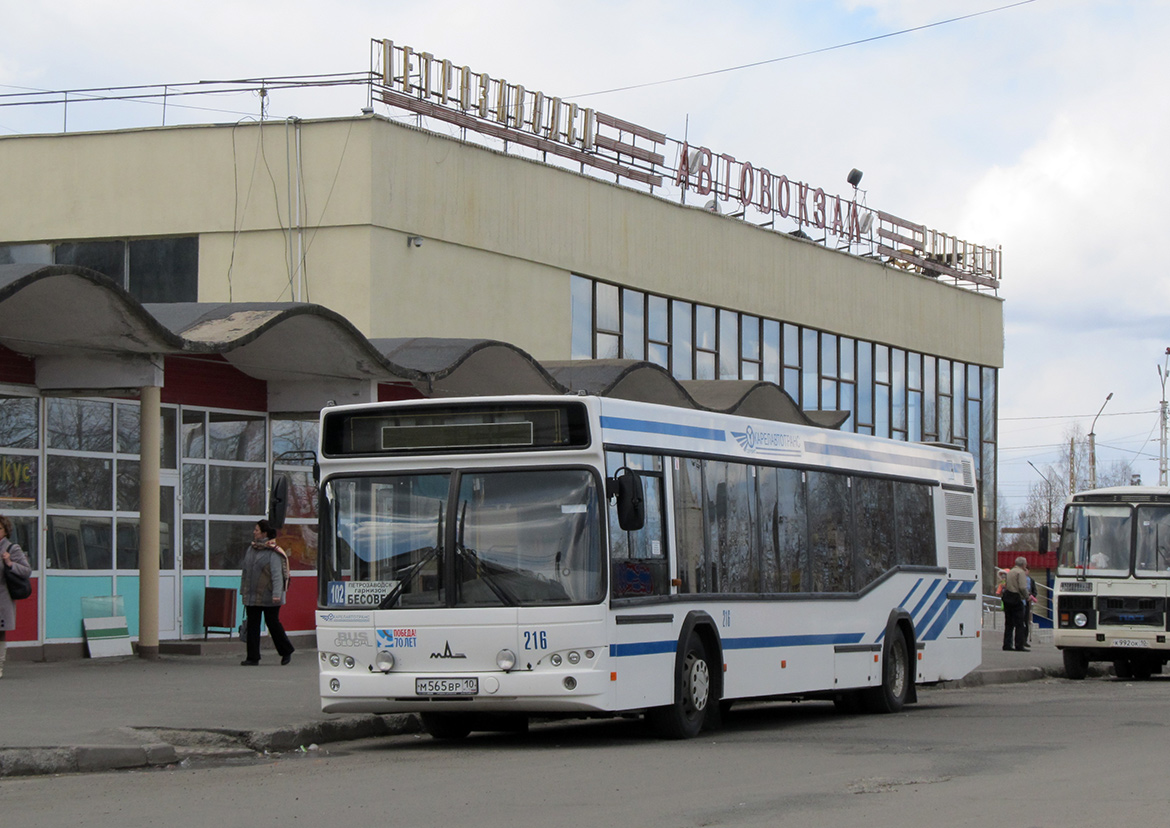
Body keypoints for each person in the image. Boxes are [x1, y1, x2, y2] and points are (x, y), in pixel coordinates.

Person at [239, 519, 294, 666]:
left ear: (265, 533)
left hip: (270, 595)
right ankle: (252, 657)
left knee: (272, 623)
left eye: (257, 530)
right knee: (252, 625)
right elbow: (246, 571)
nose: (254, 532)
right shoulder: (251, 549)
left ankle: (286, 651)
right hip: (252, 595)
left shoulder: (273, 552)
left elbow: (277, 576)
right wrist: (244, 590)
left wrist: (277, 594)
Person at [0, 514, 31, 679]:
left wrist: (10, 564)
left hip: (2, 598)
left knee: (0, 633)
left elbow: (26, 570)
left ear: (6, 531)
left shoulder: (12, 549)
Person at [1002, 556, 1030, 652]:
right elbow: (1022, 587)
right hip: (1016, 598)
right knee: (1019, 623)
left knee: (1009, 623)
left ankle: (1007, 644)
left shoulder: (1010, 572)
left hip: (1007, 597)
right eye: (1025, 564)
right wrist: (1027, 597)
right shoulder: (1020, 572)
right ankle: (1019, 645)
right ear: (1023, 564)